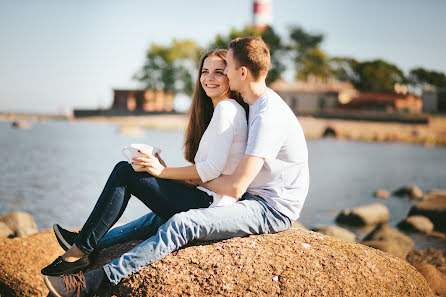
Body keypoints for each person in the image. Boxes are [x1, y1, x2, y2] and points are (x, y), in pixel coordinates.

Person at [43, 37, 309, 297]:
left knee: (181, 222)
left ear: (240, 72)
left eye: (224, 67)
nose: (220, 73)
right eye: (207, 71)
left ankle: (93, 281)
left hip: (271, 207)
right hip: (244, 195)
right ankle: (84, 247)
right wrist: (181, 175)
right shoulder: (251, 105)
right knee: (153, 217)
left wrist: (171, 174)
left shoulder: (264, 114)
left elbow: (233, 183)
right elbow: (221, 169)